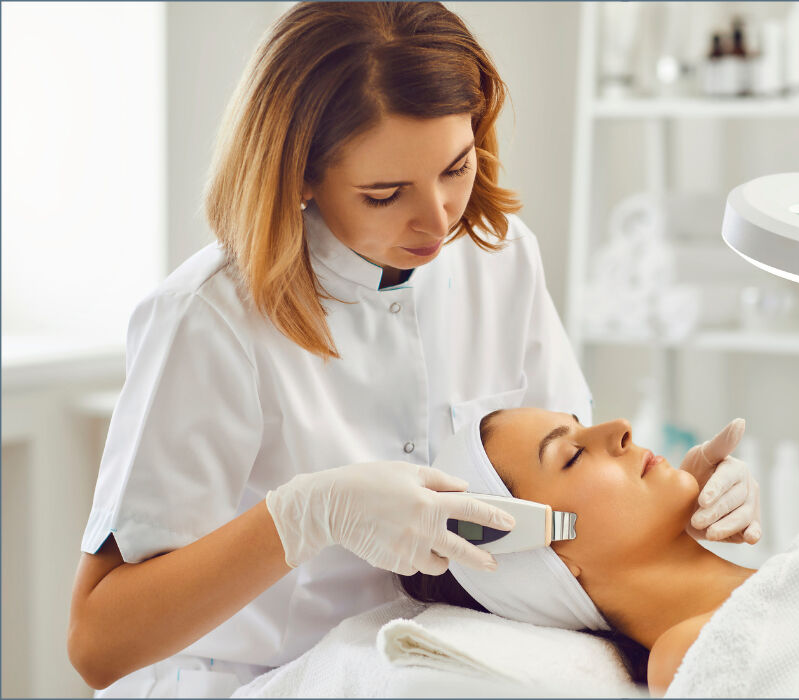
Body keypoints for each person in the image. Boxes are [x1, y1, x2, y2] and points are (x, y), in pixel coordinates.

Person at [66, 4, 762, 697]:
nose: (438, 219)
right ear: (299, 176)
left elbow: (567, 502)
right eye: (385, 193)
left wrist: (678, 510)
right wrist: (305, 516)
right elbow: (99, 643)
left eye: (456, 168)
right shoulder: (209, 319)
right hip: (258, 679)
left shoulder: (500, 257)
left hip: (444, 660)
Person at [402, 407, 761, 695]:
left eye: (581, 424)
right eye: (573, 456)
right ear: (552, 562)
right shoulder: (691, 655)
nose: (621, 427)